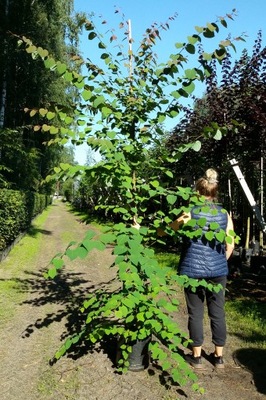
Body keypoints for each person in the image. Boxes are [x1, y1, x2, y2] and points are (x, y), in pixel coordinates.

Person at [159, 168, 234, 369]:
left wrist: (144, 230)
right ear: (215, 192)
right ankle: (218, 357)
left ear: (197, 192)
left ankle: (197, 356)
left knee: (196, 313)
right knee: (218, 313)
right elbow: (231, 244)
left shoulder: (189, 213)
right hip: (218, 273)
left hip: (192, 272)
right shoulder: (225, 214)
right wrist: (219, 262)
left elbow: (166, 231)